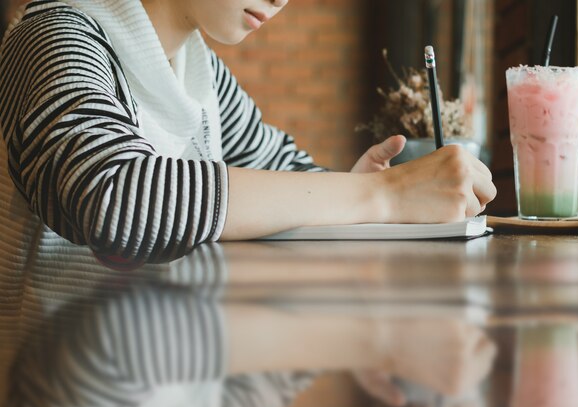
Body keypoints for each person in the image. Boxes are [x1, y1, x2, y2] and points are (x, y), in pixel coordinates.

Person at [0, 0, 496, 269]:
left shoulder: (200, 70)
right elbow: (115, 199)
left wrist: (351, 188)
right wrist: (382, 194)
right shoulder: (52, 36)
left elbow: (286, 175)